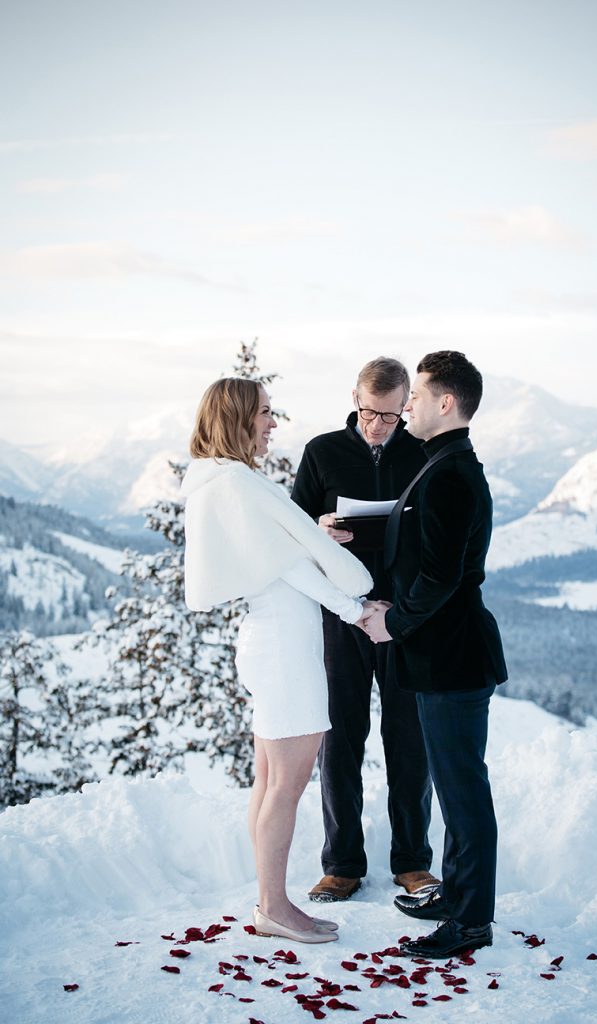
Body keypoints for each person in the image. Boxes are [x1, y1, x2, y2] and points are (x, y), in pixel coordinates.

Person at [181, 376, 375, 944]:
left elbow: (272, 550)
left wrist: (306, 534)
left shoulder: (225, 482)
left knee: (269, 781)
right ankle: (274, 907)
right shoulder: (239, 484)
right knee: (285, 784)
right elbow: (289, 567)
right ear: (237, 417)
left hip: (269, 643)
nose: (273, 422)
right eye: (264, 412)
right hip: (285, 651)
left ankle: (271, 901)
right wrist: (356, 609)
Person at [363, 351, 508, 959]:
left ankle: (472, 922)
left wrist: (391, 621)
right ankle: (458, 895)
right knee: (452, 785)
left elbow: (441, 577)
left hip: (452, 658)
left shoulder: (450, 473)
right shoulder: (444, 463)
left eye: (417, 397)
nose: (409, 407)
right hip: (440, 657)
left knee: (462, 789)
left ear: (446, 403)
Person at [291, 357, 438, 903]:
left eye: (390, 416)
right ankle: (342, 865)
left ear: (406, 407)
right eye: (368, 412)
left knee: (408, 740)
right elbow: (294, 530)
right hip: (343, 615)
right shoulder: (322, 451)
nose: (377, 426)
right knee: (342, 738)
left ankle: (412, 862)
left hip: (402, 617)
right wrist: (320, 531)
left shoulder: (421, 452)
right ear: (354, 397)